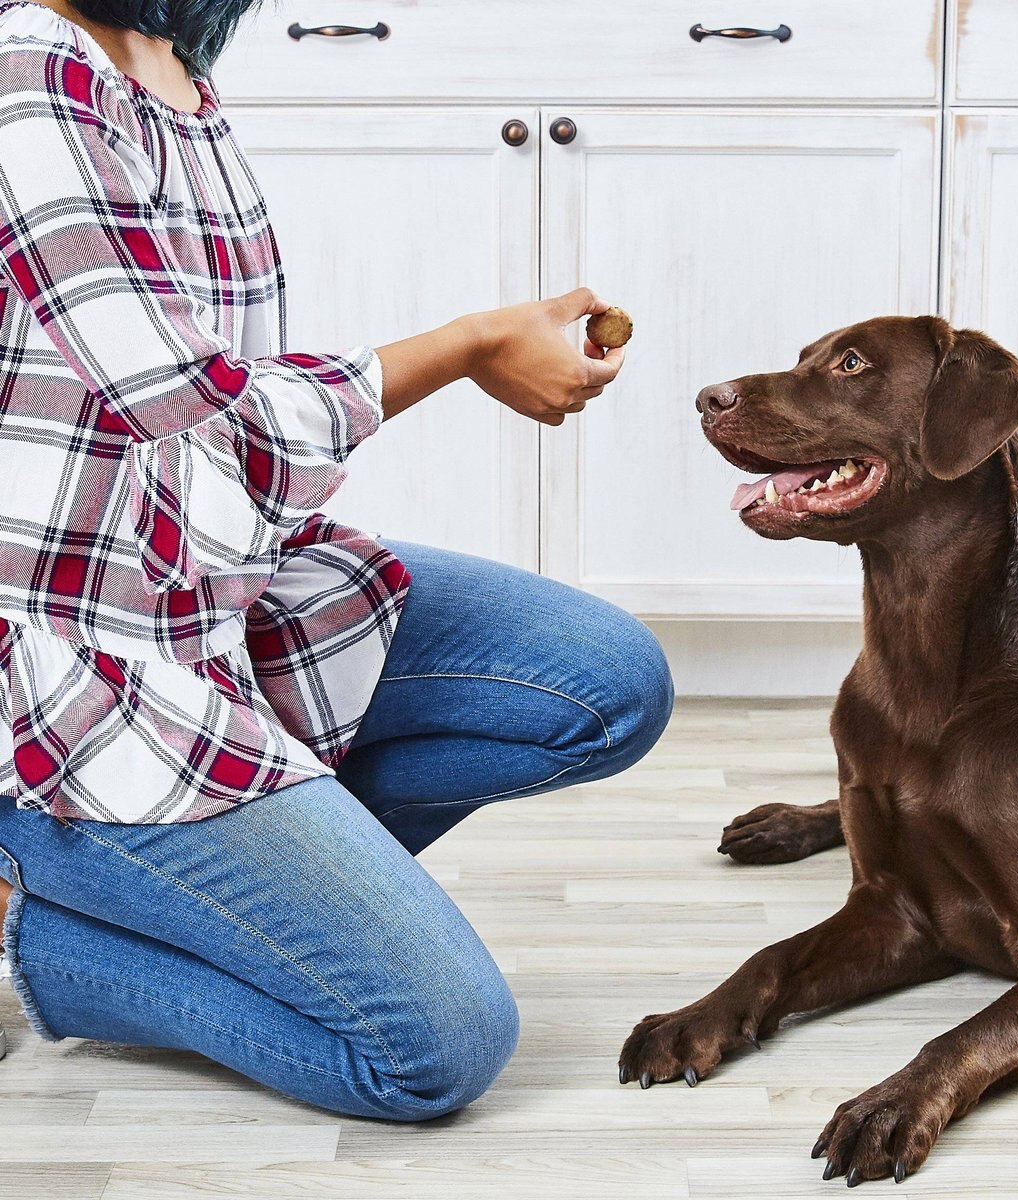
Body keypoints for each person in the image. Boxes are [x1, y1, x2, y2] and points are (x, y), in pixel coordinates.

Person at [0, 0, 673, 1116]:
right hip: (85, 664)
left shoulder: (167, 63)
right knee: (433, 1048)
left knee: (601, 682)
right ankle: (36, 928)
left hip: (220, 589)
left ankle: (243, 905)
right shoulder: (29, 61)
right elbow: (197, 417)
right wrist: (469, 346)